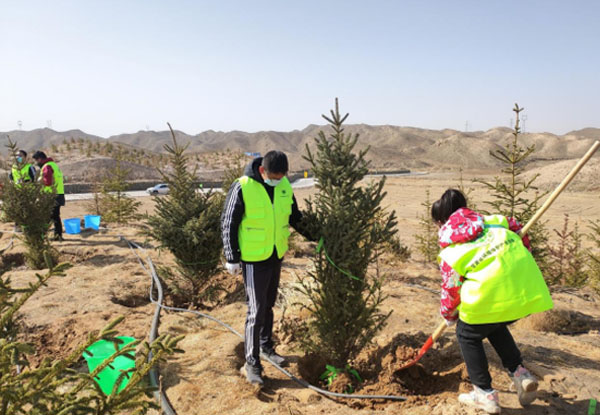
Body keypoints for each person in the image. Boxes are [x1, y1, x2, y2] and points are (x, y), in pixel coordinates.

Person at [432, 189, 553, 414]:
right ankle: (520, 375)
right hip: (525, 291)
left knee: (467, 333)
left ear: (441, 222)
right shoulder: (496, 222)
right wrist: (521, 250)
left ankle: (484, 394)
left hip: (490, 295)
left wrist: (449, 315)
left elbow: (450, 289)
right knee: (491, 323)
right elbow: (518, 228)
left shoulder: (451, 250)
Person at [221, 151, 313, 387]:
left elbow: (294, 216)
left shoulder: (283, 186)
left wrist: (315, 235)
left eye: (282, 176)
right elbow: (228, 221)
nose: (278, 179)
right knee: (256, 309)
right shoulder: (243, 186)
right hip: (253, 258)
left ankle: (265, 347)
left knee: (269, 304)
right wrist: (231, 256)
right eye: (274, 176)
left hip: (275, 254)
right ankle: (251, 363)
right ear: (263, 171)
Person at [32, 151, 65, 241]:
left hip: (51, 196)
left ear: (40, 159)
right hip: (59, 194)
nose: (36, 163)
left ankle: (41, 236)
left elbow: (48, 182)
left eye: (36, 160)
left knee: (47, 216)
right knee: (55, 216)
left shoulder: (47, 167)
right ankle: (58, 236)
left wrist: (40, 180)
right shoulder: (54, 165)